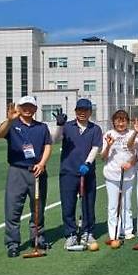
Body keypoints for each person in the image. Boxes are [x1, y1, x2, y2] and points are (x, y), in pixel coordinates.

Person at [0, 97, 52, 257]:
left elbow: (48, 145)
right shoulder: (12, 125)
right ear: (19, 108)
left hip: (37, 171)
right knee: (13, 208)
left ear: (35, 109)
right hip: (17, 171)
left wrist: (42, 164)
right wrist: (9, 120)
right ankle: (12, 243)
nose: (27, 109)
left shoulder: (42, 127)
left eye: (31, 106)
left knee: (38, 208)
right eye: (24, 106)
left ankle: (38, 239)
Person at [52, 98, 103, 249]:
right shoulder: (67, 127)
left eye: (85, 110)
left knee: (88, 203)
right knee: (68, 205)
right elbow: (55, 140)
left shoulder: (95, 129)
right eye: (79, 110)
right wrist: (60, 125)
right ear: (75, 111)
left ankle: (88, 232)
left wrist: (87, 163)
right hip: (68, 172)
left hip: (87, 173)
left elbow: (96, 147)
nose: (82, 113)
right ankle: (71, 234)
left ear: (90, 112)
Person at [101, 110, 137, 241]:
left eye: (123, 120)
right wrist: (109, 146)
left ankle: (127, 230)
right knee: (113, 205)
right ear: (113, 122)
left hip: (128, 175)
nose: (121, 123)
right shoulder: (109, 134)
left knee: (127, 204)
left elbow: (137, 155)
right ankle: (114, 232)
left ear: (127, 122)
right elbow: (103, 157)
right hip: (112, 175)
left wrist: (130, 164)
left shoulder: (133, 134)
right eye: (118, 120)